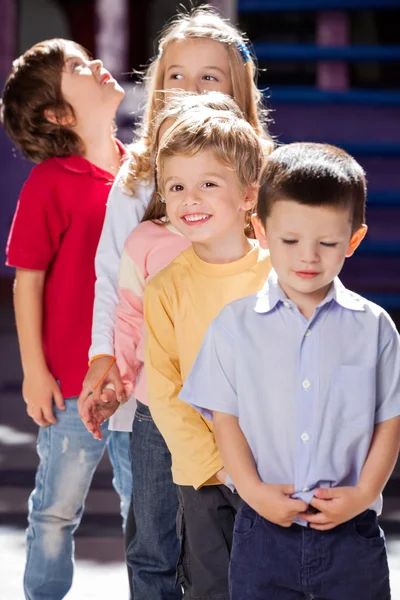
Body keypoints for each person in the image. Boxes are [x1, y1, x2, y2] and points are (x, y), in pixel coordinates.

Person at [77, 6, 273, 599]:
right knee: (155, 533)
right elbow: (115, 281)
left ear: (237, 88)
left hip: (242, 402)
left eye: (209, 77)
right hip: (153, 396)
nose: (190, 89)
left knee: (231, 543)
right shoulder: (138, 180)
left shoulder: (261, 177)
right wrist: (104, 359)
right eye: (177, 77)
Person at [180, 142, 400, 600]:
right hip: (263, 532)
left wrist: (362, 495)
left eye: (327, 243)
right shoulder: (234, 325)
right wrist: (254, 492)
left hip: (351, 537)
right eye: (291, 240)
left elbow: (389, 423)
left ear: (354, 241)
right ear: (260, 230)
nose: (308, 258)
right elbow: (226, 420)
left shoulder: (374, 327)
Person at [1, 39, 132, 600]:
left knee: (146, 513)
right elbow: (26, 280)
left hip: (137, 383)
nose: (98, 65)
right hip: (71, 388)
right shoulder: (50, 182)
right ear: (57, 113)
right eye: (78, 67)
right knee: (55, 510)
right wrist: (35, 372)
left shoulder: (145, 172)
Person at [142, 107, 272, 600]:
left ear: (248, 194)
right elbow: (167, 393)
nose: (189, 199)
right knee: (213, 588)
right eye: (175, 187)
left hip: (277, 468)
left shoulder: (282, 275)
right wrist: (218, 466)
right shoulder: (164, 288)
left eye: (208, 185)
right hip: (206, 478)